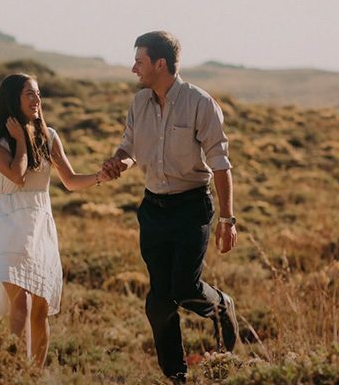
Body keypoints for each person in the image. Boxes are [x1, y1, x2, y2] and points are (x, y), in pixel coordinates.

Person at [102, 31, 239, 383]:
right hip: (153, 210)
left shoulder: (200, 103)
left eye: (140, 61)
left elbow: (221, 163)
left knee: (184, 288)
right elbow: (129, 147)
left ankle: (222, 306)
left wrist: (227, 219)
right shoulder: (139, 103)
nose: (134, 68)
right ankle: (177, 376)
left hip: (191, 207)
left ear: (160, 64)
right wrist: (119, 161)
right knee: (159, 301)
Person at [0, 73, 110, 368]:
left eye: (38, 93)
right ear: (14, 99)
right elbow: (19, 176)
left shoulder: (49, 136)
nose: (37, 99)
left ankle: (33, 374)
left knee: (40, 308)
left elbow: (71, 181)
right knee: (21, 303)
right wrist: (21, 141)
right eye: (29, 94)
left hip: (40, 227)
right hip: (10, 228)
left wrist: (100, 177)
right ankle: (11, 371)